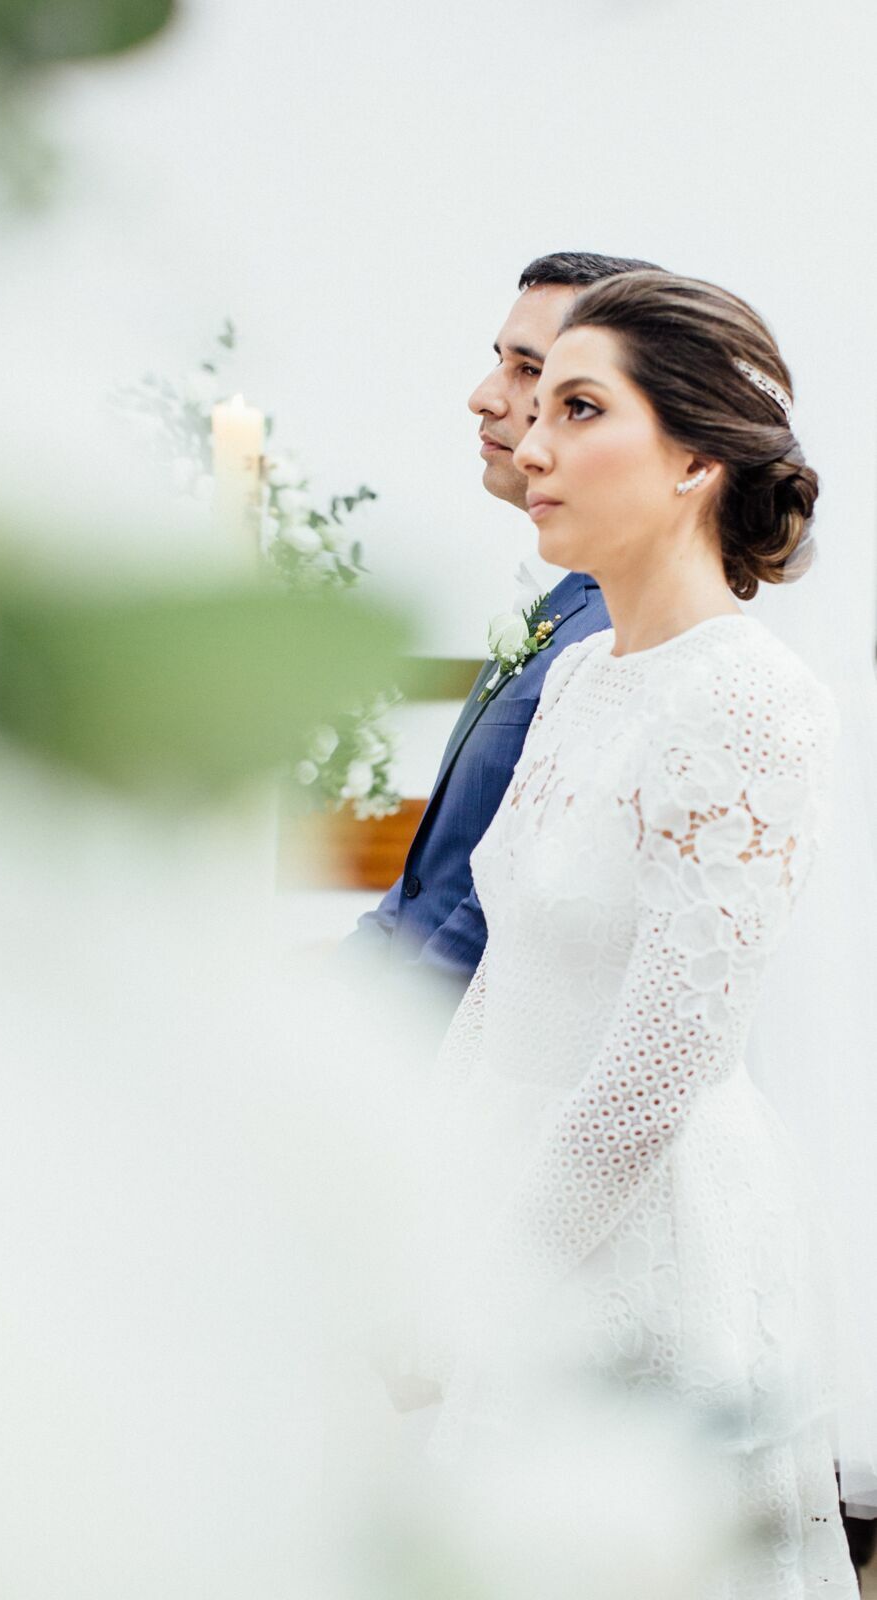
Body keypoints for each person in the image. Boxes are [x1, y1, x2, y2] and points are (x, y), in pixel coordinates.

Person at [423, 270, 861, 1594]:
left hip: (637, 1241)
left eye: (576, 406)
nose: (529, 442)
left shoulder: (749, 704)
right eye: (533, 403)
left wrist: (484, 1286)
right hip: (508, 1188)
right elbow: (502, 974)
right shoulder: (576, 674)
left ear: (689, 458)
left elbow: (650, 1078)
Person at [342, 252, 660, 1012]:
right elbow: (429, 882)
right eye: (501, 363)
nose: (483, 398)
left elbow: (509, 916)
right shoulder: (565, 603)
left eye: (530, 371)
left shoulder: (624, 632)